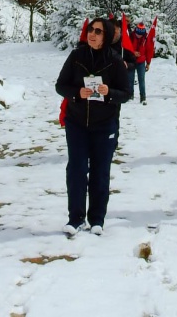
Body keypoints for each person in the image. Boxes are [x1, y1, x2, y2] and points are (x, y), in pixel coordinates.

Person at [55, 18, 131, 236]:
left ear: (105, 37)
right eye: (91, 30)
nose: (92, 34)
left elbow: (126, 94)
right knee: (76, 170)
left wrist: (109, 93)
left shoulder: (115, 60)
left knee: (100, 172)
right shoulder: (76, 56)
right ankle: (75, 218)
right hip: (77, 123)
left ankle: (97, 219)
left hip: (104, 125)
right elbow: (60, 85)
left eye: (98, 31)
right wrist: (77, 93)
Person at [130, 22, 149, 104]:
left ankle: (143, 96)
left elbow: (148, 50)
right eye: (138, 33)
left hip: (141, 62)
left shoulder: (146, 38)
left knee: (141, 80)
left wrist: (148, 63)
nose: (139, 35)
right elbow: (127, 47)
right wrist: (133, 52)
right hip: (131, 61)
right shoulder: (131, 36)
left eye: (141, 34)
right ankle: (130, 95)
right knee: (130, 79)